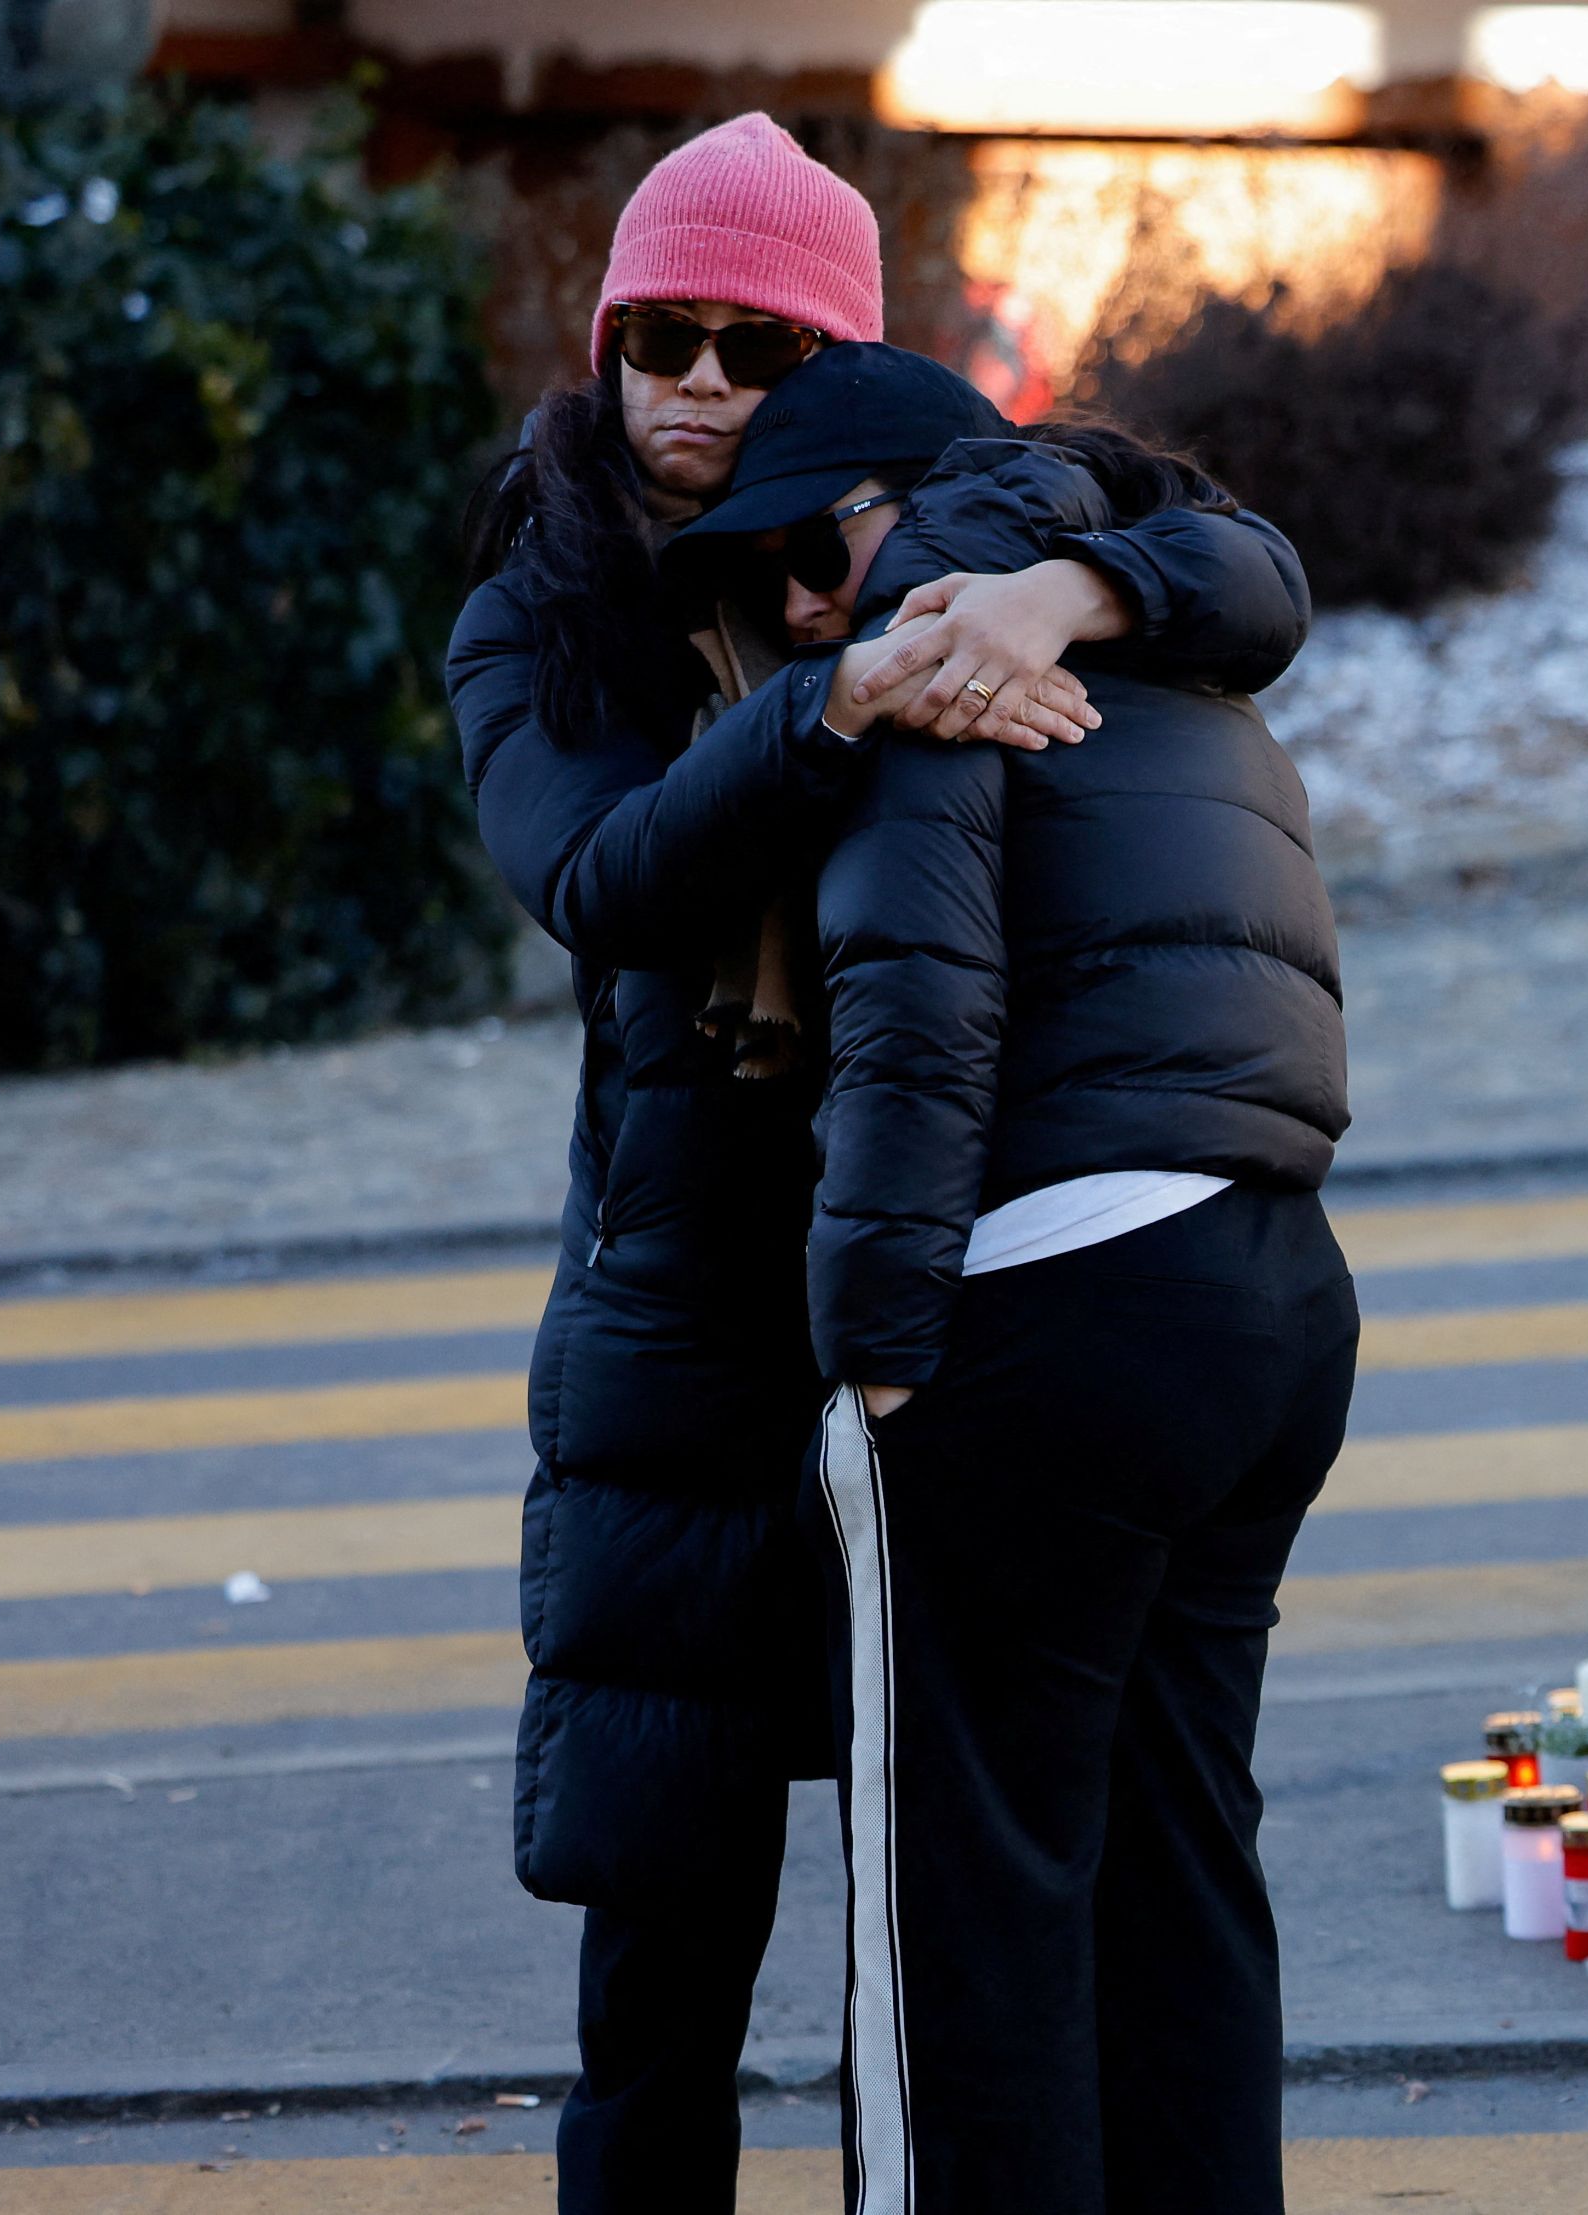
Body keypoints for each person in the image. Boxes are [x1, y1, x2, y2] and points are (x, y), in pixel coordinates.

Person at [447, 115, 1307, 2214]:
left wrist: (1050, 585)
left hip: (940, 1303)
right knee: (666, 1957)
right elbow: (604, 870)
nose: (700, 385)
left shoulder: (918, 528)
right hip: (690, 1337)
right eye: (661, 335)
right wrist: (850, 693)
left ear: (836, 364)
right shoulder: (544, 606)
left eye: (758, 344)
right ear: (606, 340)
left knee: (952, 1898)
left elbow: (1250, 574)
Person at [674, 372, 1349, 2212]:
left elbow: (911, 1004)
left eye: (818, 547)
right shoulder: (1161, 617)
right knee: (1177, 1868)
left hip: (1043, 1308)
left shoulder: (946, 649)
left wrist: (877, 1358)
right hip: (1270, 1289)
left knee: (955, 1928)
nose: (806, 608)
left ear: (905, 506)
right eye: (763, 576)